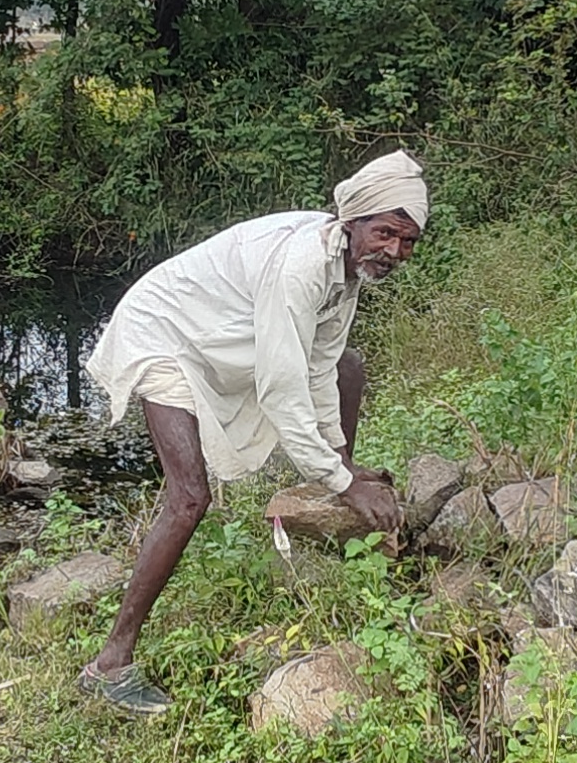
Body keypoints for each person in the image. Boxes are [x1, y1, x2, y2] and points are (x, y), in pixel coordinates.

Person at [74, 151, 428, 711]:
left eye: (407, 242)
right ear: (351, 223)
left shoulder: (346, 271)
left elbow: (319, 365)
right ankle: (110, 664)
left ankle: (331, 484)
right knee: (189, 498)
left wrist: (341, 464)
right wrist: (344, 482)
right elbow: (283, 390)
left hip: (217, 335)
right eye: (385, 233)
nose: (394, 251)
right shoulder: (301, 266)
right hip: (163, 332)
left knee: (347, 368)